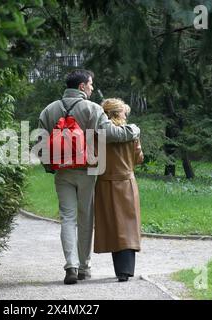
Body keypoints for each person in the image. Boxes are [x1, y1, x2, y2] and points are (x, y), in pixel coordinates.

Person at [37, 70, 141, 285]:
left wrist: (51, 165)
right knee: (85, 219)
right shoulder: (92, 109)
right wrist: (134, 129)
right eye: (91, 84)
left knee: (67, 218)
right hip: (87, 171)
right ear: (82, 86)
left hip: (63, 173)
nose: (92, 88)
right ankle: (84, 267)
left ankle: (71, 266)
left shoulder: (49, 110)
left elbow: (39, 146)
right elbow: (112, 134)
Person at [93, 98, 144, 282]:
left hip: (105, 184)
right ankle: (126, 270)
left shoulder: (98, 135)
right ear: (116, 113)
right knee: (128, 226)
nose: (126, 115)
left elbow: (93, 161)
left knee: (113, 226)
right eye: (124, 112)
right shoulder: (132, 134)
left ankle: (120, 270)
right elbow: (139, 158)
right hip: (127, 183)